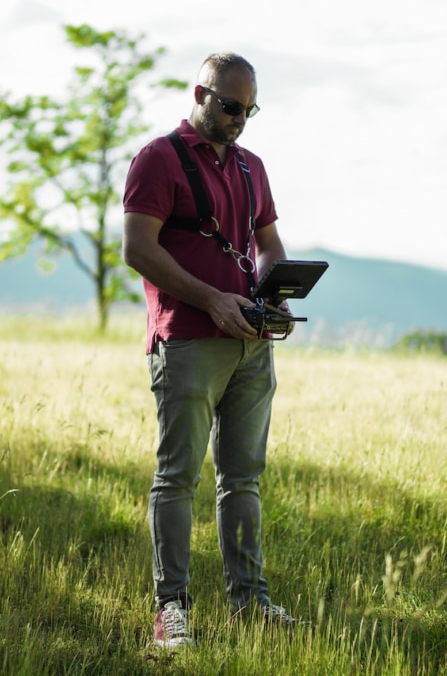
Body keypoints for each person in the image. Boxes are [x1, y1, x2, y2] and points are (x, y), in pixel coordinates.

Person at [122, 52, 299, 648]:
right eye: (229, 106)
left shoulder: (253, 167)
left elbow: (269, 245)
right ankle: (170, 609)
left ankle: (250, 603)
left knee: (243, 480)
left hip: (252, 345)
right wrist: (212, 299)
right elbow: (138, 249)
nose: (240, 119)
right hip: (188, 343)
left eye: (250, 109)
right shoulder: (156, 159)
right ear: (200, 93)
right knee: (177, 479)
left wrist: (273, 296)